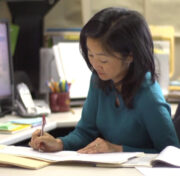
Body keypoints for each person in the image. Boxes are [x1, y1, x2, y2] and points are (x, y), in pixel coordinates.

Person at [30, 7, 180, 153]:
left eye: (103, 59)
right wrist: (58, 143)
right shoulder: (99, 80)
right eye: (90, 55)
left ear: (130, 55)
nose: (95, 65)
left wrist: (118, 150)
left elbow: (172, 153)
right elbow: (85, 133)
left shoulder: (148, 95)